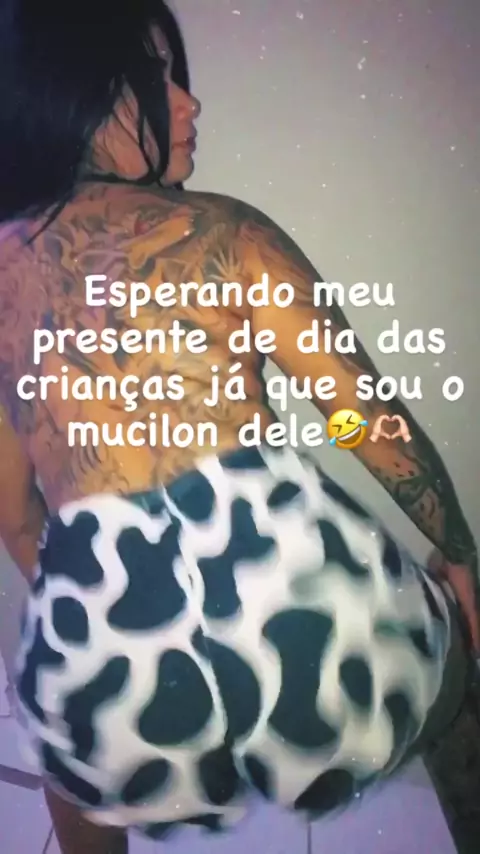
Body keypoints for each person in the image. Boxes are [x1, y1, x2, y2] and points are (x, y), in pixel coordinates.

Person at [0, 2, 478, 853]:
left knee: (78, 780)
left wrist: (97, 597)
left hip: (117, 642)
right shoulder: (221, 231)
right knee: (452, 671)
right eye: (157, 79)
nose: (189, 103)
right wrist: (462, 560)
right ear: (82, 93)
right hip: (292, 606)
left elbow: (13, 515)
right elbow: (361, 418)